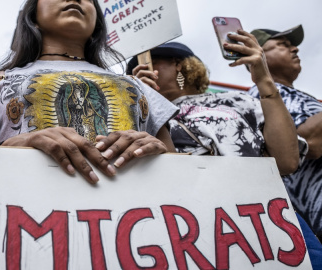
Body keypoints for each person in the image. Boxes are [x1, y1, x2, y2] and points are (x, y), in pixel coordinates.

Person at [0, 0, 179, 184]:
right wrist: (18, 144)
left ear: (96, 26)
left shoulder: (137, 86)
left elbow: (178, 171)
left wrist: (155, 151)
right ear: (33, 18)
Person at [128, 38, 299, 176]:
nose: (140, 69)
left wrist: (264, 81)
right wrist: (147, 104)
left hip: (263, 207)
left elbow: (287, 162)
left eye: (150, 62)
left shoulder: (237, 100)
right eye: (135, 69)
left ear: (177, 63)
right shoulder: (137, 119)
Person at [248, 25, 322, 240]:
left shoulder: (296, 95)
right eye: (282, 45)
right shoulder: (263, 98)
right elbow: (305, 144)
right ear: (257, 55)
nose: (295, 50)